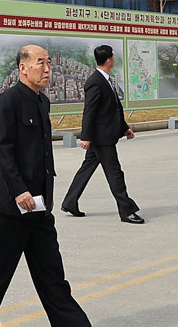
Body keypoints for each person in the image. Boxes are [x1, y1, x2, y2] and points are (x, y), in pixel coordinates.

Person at [0, 44, 102, 327]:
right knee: (2, 268)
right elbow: (4, 149)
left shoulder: (42, 102)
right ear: (23, 68)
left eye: (48, 63)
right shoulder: (8, 101)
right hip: (12, 204)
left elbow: (42, 154)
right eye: (40, 63)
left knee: (51, 269)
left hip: (40, 204)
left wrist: (45, 193)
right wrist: (19, 190)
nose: (47, 69)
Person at [61, 44, 142, 223]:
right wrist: (86, 137)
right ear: (108, 60)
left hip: (103, 135)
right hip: (101, 138)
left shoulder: (105, 79)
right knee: (115, 174)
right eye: (112, 56)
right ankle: (126, 211)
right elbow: (90, 111)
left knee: (86, 169)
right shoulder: (95, 81)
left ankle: (69, 202)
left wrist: (124, 128)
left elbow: (112, 109)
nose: (114, 59)